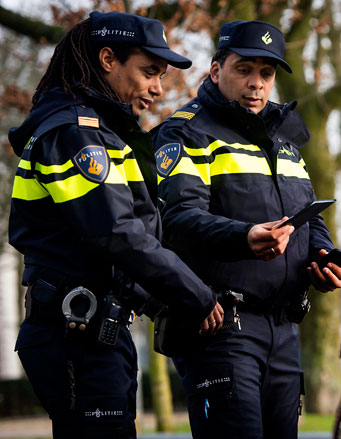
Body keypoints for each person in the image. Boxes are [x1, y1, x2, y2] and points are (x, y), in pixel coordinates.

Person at [8, 11, 224, 438]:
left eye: (160, 75)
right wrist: (196, 296)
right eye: (149, 72)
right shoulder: (75, 133)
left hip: (95, 333)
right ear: (108, 59)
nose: (157, 88)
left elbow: (124, 240)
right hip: (76, 335)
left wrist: (162, 303)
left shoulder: (102, 132)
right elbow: (116, 234)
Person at [153, 20, 341, 438]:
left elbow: (309, 216)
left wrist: (322, 256)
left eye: (266, 73)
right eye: (244, 70)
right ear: (216, 70)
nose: (256, 83)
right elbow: (177, 220)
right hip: (221, 326)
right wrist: (243, 237)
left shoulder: (284, 137)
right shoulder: (186, 132)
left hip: (285, 328)